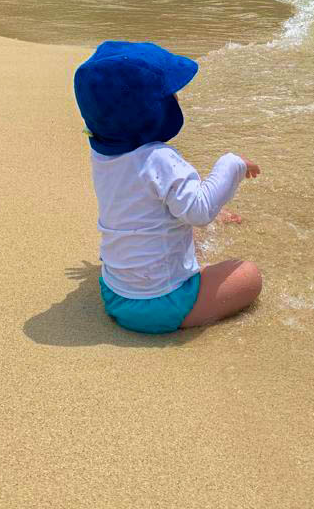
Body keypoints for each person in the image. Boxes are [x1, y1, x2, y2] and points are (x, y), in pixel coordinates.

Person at [74, 41, 262, 334]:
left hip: (114, 293)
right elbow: (199, 212)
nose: (175, 97)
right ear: (152, 111)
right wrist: (232, 163)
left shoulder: (104, 154)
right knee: (249, 275)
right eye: (170, 95)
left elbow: (138, 201)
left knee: (177, 216)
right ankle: (185, 295)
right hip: (161, 303)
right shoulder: (159, 159)